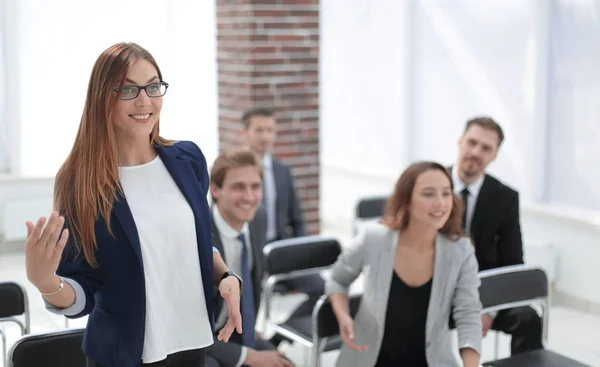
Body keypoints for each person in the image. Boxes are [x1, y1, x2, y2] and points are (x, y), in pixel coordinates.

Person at [23, 42, 242, 367]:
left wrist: (226, 277)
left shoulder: (189, 159)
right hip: (123, 354)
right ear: (103, 97)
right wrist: (46, 283)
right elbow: (82, 287)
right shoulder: (78, 180)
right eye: (128, 89)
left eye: (153, 86)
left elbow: (196, 242)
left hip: (192, 344)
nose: (145, 100)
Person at [327, 162, 482, 367]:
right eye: (428, 194)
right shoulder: (373, 239)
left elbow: (468, 314)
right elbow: (337, 279)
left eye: (446, 193)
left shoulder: (461, 251)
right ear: (407, 201)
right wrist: (343, 316)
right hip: (369, 360)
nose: (441, 203)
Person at [451, 116, 543, 354]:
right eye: (472, 142)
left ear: (494, 155)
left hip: (483, 291)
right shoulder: (428, 182)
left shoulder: (506, 197)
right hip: (433, 288)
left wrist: (488, 309)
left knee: (528, 317)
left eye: (486, 148)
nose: (476, 152)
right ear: (460, 142)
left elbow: (513, 262)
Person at [204, 149, 293, 367]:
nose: (250, 197)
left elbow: (252, 279)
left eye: (255, 187)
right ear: (215, 190)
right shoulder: (199, 234)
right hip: (201, 340)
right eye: (238, 187)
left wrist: (249, 332)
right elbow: (185, 328)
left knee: (286, 364)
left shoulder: (257, 218)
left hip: (236, 332)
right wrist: (246, 356)